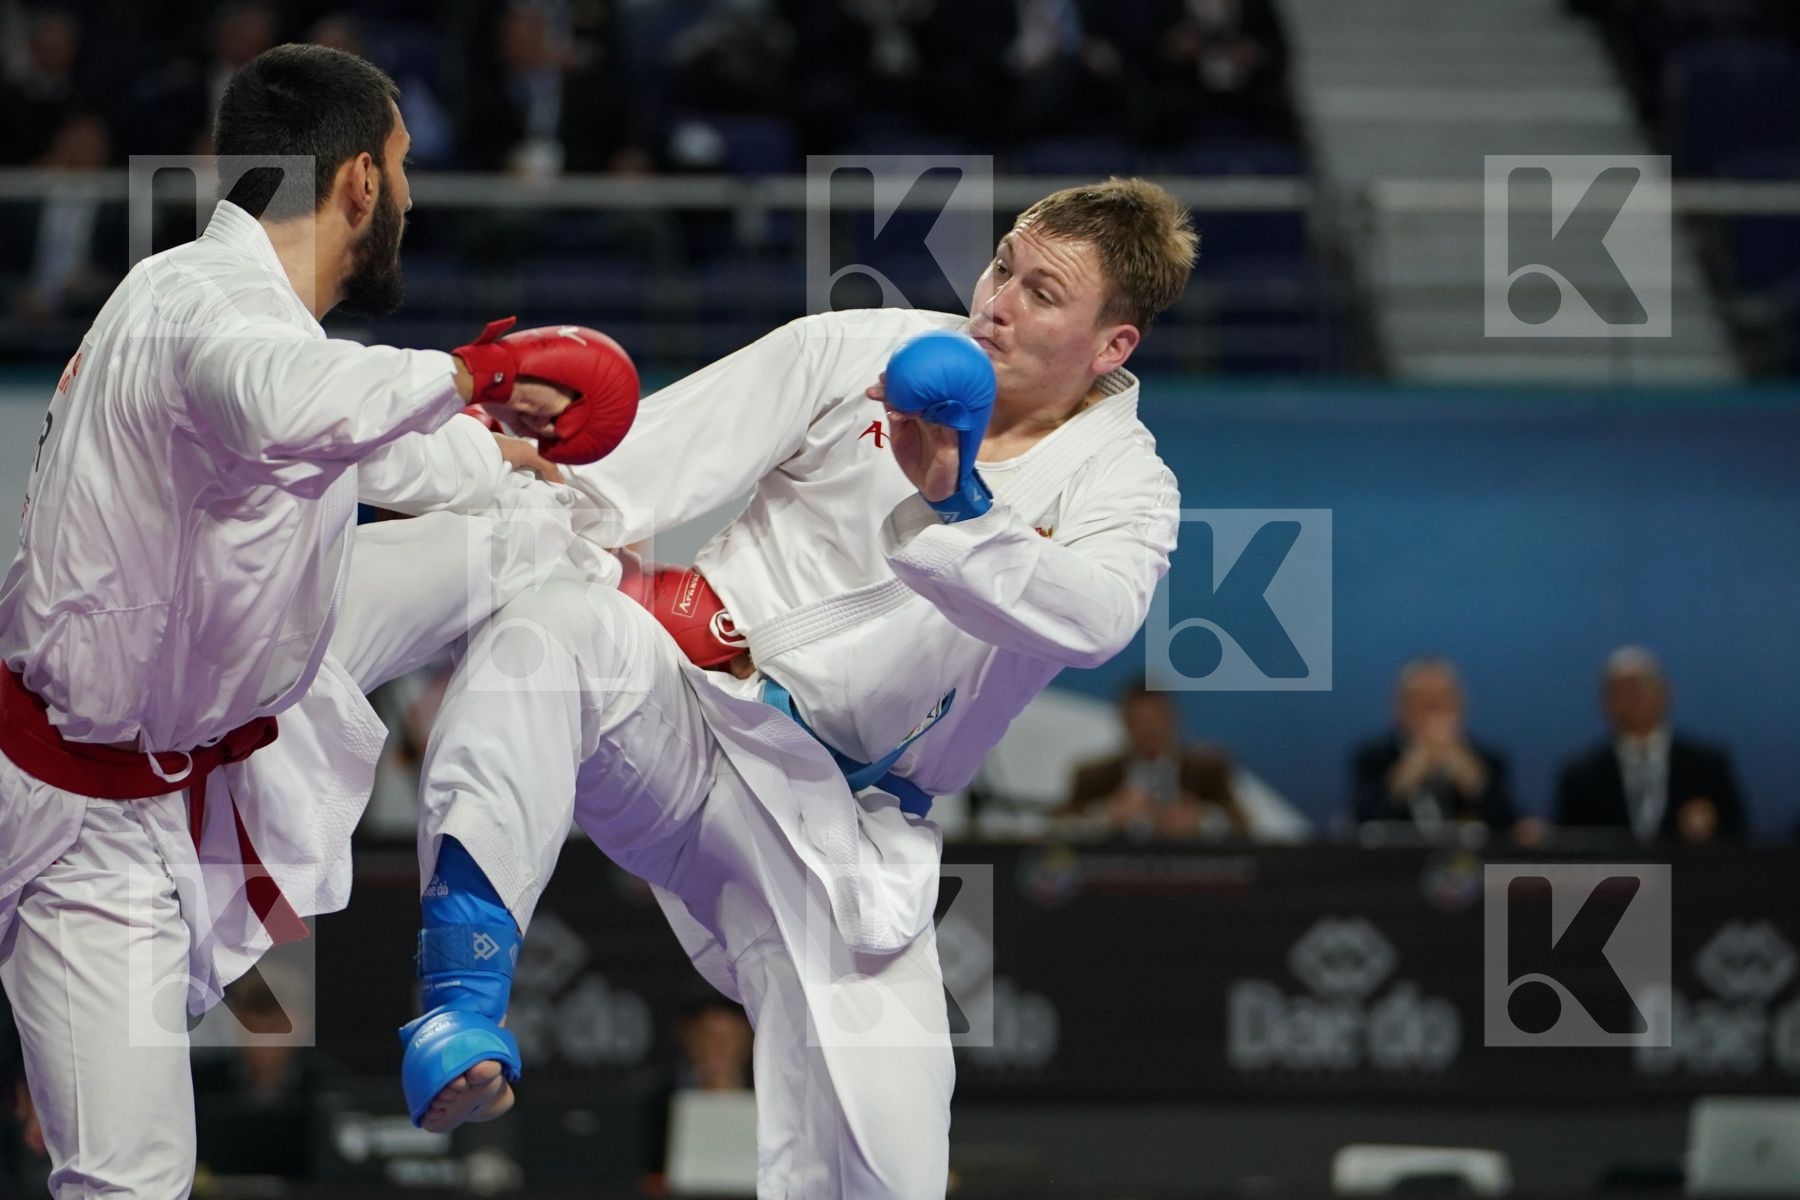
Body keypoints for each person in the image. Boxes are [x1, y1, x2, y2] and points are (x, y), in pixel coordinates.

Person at [397, 178, 1192, 1197]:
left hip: (838, 829)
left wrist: (958, 502)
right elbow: (627, 475)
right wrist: (502, 454)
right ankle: (462, 992)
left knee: (887, 1168)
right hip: (679, 713)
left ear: (1111, 346)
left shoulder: (1126, 483)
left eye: (1042, 293)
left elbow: (1094, 621)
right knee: (549, 625)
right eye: (1002, 265)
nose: (995, 299)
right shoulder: (861, 350)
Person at [0, 43, 633, 1198]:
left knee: (515, 533)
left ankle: (649, 591)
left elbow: (359, 431)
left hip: (181, 753)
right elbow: (283, 400)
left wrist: (506, 459)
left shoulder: (255, 320)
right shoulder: (203, 307)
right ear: (356, 185)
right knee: (130, 1180)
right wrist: (471, 371)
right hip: (61, 797)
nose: (410, 195)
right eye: (401, 168)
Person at [1554, 646, 1748, 844]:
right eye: (1623, 691)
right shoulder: (1581, 776)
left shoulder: (1707, 765)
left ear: (1665, 693)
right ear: (1605, 702)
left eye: (1642, 688)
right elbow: (1568, 852)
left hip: (1692, 873)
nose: (1635, 699)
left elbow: (1740, 837)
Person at [1061, 678, 1245, 840]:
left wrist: (1203, 821)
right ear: (1124, 722)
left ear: (1174, 719)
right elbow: (1056, 828)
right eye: (1139, 721)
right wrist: (1104, 818)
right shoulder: (1094, 776)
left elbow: (1243, 826)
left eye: (1156, 719)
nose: (1149, 729)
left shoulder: (1206, 771)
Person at [1349, 657, 1516, 835]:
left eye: (1441, 701)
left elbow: (1511, 827)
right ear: (1399, 708)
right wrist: (1405, 776)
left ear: (1461, 705)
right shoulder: (1373, 757)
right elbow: (1358, 823)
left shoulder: (1488, 759)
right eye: (1422, 703)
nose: (1433, 713)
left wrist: (1474, 783)